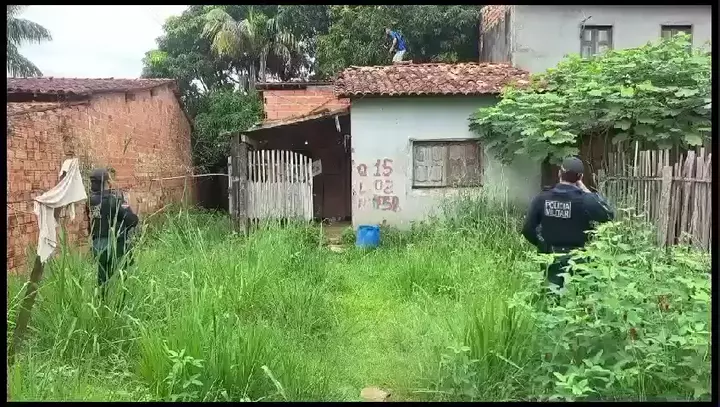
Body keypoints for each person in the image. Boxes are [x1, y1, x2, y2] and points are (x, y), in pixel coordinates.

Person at [522, 157, 615, 290]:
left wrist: (542, 245)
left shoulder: (542, 198)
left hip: (550, 258)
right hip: (578, 260)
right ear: (580, 177)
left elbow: (527, 230)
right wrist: (585, 189)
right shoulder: (585, 200)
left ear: (559, 173)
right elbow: (608, 214)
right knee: (576, 296)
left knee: (551, 296)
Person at [87, 168, 139, 298]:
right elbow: (132, 220)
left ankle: (102, 303)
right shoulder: (113, 200)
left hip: (97, 245)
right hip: (115, 246)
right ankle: (120, 304)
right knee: (122, 278)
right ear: (106, 182)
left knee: (102, 281)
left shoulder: (90, 201)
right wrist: (127, 204)